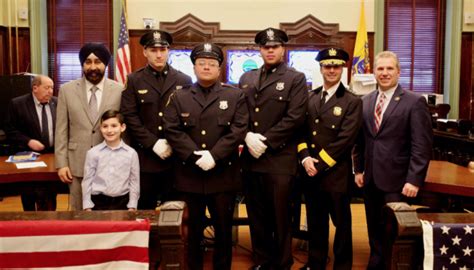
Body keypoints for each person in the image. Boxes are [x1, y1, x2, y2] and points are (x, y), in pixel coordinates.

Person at [163, 42, 248, 270]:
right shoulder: (179, 96)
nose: (207, 67)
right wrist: (193, 155)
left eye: (212, 63)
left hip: (222, 176)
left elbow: (239, 129)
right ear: (194, 67)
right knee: (192, 233)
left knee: (223, 233)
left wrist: (215, 155)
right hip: (189, 176)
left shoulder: (235, 95)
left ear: (219, 68)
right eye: (202, 63)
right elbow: (171, 128)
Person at [352, 51, 433, 269]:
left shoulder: (414, 102)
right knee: (373, 226)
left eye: (389, 69)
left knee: (394, 229)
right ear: (374, 72)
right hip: (370, 179)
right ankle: (376, 261)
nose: (385, 73)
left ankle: (393, 264)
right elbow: (360, 141)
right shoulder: (365, 101)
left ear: (398, 71)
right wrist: (358, 170)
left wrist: (414, 180)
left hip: (398, 181)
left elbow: (421, 145)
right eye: (380, 69)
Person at [238, 27, 308, 270]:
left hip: (279, 159)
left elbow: (295, 117)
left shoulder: (295, 78)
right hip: (251, 158)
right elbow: (240, 114)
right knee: (256, 215)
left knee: (280, 216)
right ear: (260, 50)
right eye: (266, 47)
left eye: (275, 46)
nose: (270, 50)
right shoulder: (247, 78)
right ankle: (262, 260)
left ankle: (281, 263)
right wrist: (246, 136)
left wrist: (264, 142)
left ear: (283, 49)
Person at [297, 48, 362, 270]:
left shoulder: (352, 101)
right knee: (316, 223)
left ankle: (342, 265)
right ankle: (316, 263)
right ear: (321, 68)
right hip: (311, 173)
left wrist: (319, 164)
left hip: (335, 175)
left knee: (342, 225)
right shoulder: (310, 97)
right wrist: (305, 158)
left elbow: (346, 139)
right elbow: (302, 132)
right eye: (327, 66)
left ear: (342, 68)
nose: (331, 70)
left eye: (336, 66)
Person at [121, 30, 192, 210]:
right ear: (145, 52)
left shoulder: (184, 79)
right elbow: (130, 117)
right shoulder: (134, 80)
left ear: (169, 51)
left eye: (163, 49)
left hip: (176, 159)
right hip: (146, 159)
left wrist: (173, 142)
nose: (159, 54)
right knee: (145, 209)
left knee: (175, 212)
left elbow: (189, 117)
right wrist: (153, 143)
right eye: (153, 50)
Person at [55, 43, 123, 211]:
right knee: (79, 213)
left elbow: (123, 129)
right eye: (88, 62)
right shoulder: (66, 90)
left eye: (98, 61)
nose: (93, 67)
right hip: (77, 164)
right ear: (82, 64)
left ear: (105, 64)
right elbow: (61, 129)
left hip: (111, 164)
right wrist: (61, 163)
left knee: (108, 213)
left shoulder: (119, 90)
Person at [4, 75, 58, 211]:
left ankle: (50, 222)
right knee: (29, 195)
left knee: (50, 194)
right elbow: (9, 130)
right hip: (28, 157)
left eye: (52, 87)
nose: (51, 91)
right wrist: (28, 141)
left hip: (52, 156)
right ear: (35, 88)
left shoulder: (57, 103)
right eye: (47, 88)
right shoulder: (17, 104)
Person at [82, 110, 139, 211]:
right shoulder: (93, 153)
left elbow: (134, 181)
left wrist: (132, 205)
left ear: (122, 127)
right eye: (105, 126)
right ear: (100, 128)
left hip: (122, 202)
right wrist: (87, 206)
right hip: (98, 202)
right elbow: (87, 180)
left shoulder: (131, 153)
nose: (109, 130)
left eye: (114, 126)